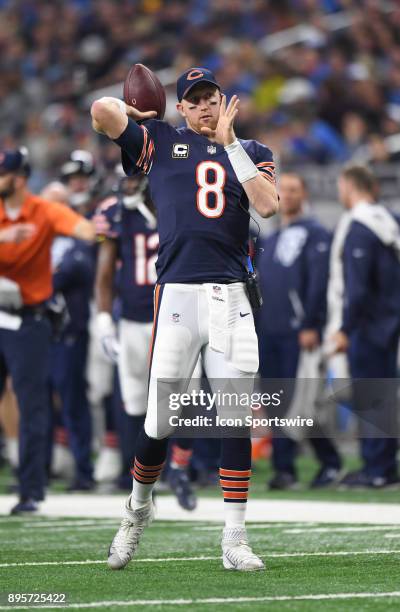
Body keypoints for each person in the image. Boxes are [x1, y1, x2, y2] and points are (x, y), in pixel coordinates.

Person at [91, 67, 279, 571]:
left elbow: (268, 206)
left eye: (209, 99)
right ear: (180, 108)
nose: (202, 108)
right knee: (161, 420)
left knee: (235, 422)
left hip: (231, 297)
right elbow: (101, 113)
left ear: (223, 102)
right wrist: (132, 113)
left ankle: (234, 538)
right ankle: (136, 511)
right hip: (176, 295)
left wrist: (232, 144)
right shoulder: (160, 139)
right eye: (192, 101)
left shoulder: (255, 151)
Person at [93, 167, 196, 509]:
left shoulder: (176, 204)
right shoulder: (117, 213)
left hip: (173, 315)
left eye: (136, 181)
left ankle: (180, 468)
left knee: (180, 396)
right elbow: (106, 269)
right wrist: (106, 318)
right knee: (135, 401)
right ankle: (137, 476)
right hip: (134, 318)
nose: (129, 188)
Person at [0, 148, 95, 514]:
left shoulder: (42, 211)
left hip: (28, 319)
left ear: (19, 179)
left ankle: (31, 490)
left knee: (33, 405)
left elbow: (82, 229)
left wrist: (93, 230)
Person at [257, 173, 341, 489]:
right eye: (283, 190)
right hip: (270, 331)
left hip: (297, 332)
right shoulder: (272, 237)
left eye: (294, 189)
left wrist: (310, 324)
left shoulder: (315, 233)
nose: (287, 195)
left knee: (296, 402)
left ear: (304, 193)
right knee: (278, 400)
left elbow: (319, 282)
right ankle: (325, 462)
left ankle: (288, 468)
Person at [329, 164, 400, 487]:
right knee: (384, 396)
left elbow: (357, 288)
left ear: (349, 186)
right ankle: (385, 465)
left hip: (370, 325)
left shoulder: (359, 226)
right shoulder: (392, 221)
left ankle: (376, 469)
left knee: (371, 397)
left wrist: (345, 328)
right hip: (392, 322)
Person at [42, 179, 95, 491]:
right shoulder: (39, 241)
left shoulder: (78, 240)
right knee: (39, 404)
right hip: (40, 334)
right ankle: (40, 469)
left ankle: (83, 470)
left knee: (74, 403)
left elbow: (76, 270)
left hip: (69, 333)